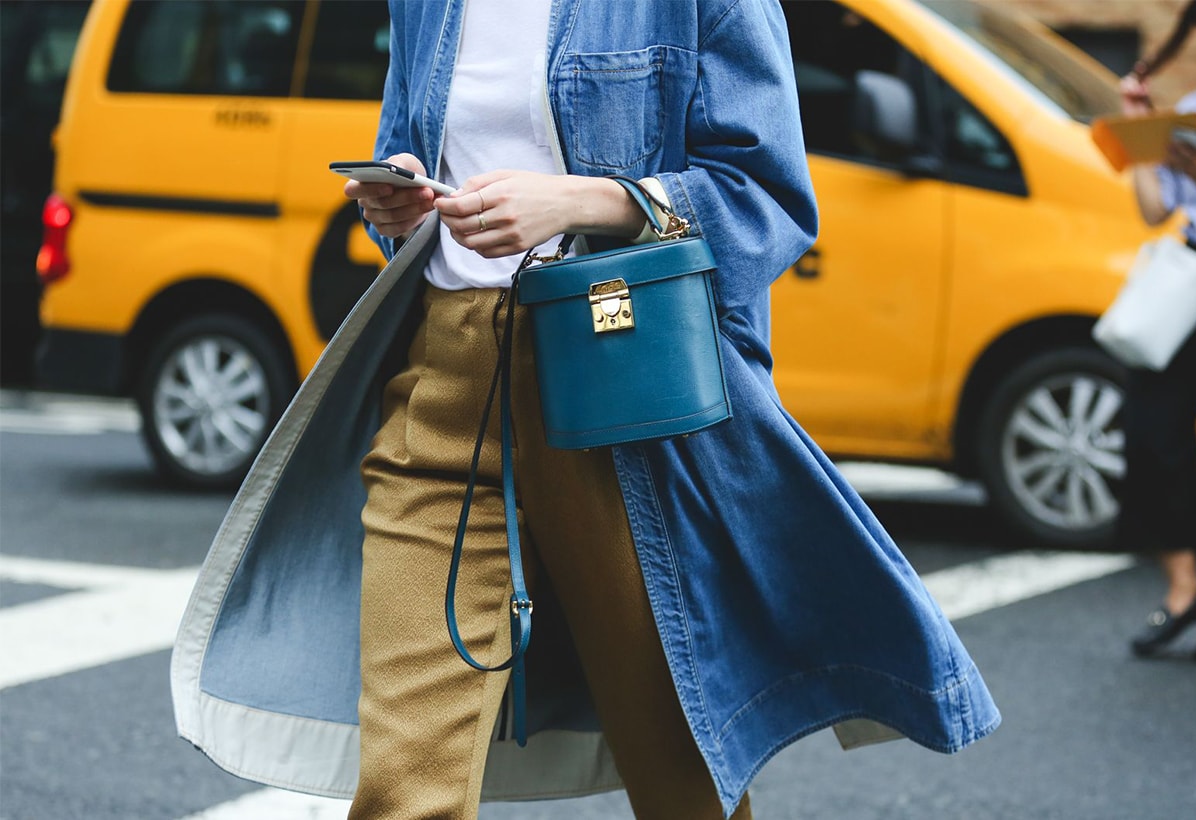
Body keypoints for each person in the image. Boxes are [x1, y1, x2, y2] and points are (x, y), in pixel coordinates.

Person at [171, 2, 999, 818]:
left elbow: (766, 198)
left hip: (621, 385)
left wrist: (584, 202)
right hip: (446, 377)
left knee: (681, 780)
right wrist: (397, 202)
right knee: (402, 790)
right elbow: (413, 150)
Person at [1118, 0, 1196, 663]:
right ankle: (1186, 589)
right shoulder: (1195, 110)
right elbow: (1154, 209)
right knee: (1152, 425)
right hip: (1190, 282)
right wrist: (1140, 132)